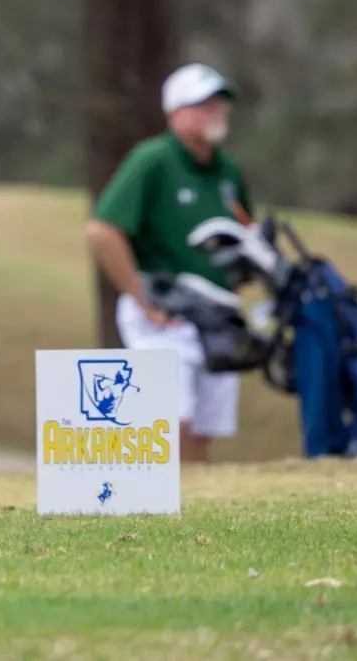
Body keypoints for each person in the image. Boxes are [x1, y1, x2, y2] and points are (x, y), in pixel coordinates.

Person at [84, 63, 255, 464]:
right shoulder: (153, 160)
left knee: (203, 431)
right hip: (166, 316)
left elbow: (243, 231)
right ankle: (160, 512)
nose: (217, 113)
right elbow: (102, 230)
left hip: (217, 317)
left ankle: (193, 515)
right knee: (170, 421)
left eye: (220, 104)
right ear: (176, 113)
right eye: (205, 105)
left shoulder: (228, 171)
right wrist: (142, 296)